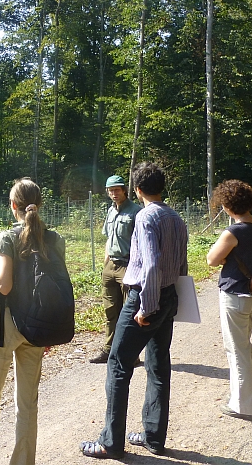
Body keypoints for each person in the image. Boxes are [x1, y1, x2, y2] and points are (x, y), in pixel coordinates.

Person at [80, 162, 188, 459]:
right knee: (158, 365)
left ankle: (110, 443)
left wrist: (146, 307)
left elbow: (150, 264)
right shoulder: (176, 217)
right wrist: (172, 302)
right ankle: (153, 437)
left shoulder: (144, 216)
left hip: (146, 298)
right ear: (161, 187)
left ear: (137, 189)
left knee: (117, 364)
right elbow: (181, 263)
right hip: (169, 295)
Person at [0, 178, 66, 465]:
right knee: (27, 404)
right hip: (37, 325)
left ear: (13, 205)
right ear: (40, 204)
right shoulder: (55, 239)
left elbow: (4, 284)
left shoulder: (6, 238)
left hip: (5, 325)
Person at [206, 180, 252, 420]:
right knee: (244, 348)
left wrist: (225, 257)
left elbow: (211, 259)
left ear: (228, 206)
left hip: (235, 296)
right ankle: (243, 398)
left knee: (237, 350)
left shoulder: (233, 232)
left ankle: (244, 405)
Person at [90, 175, 142, 364]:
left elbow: (141, 242)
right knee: (111, 311)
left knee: (129, 312)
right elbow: (108, 239)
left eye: (117, 190)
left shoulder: (136, 212)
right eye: (111, 190)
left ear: (124, 190)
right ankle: (109, 350)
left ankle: (131, 354)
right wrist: (105, 264)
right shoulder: (111, 211)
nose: (114, 193)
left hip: (128, 266)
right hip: (110, 266)